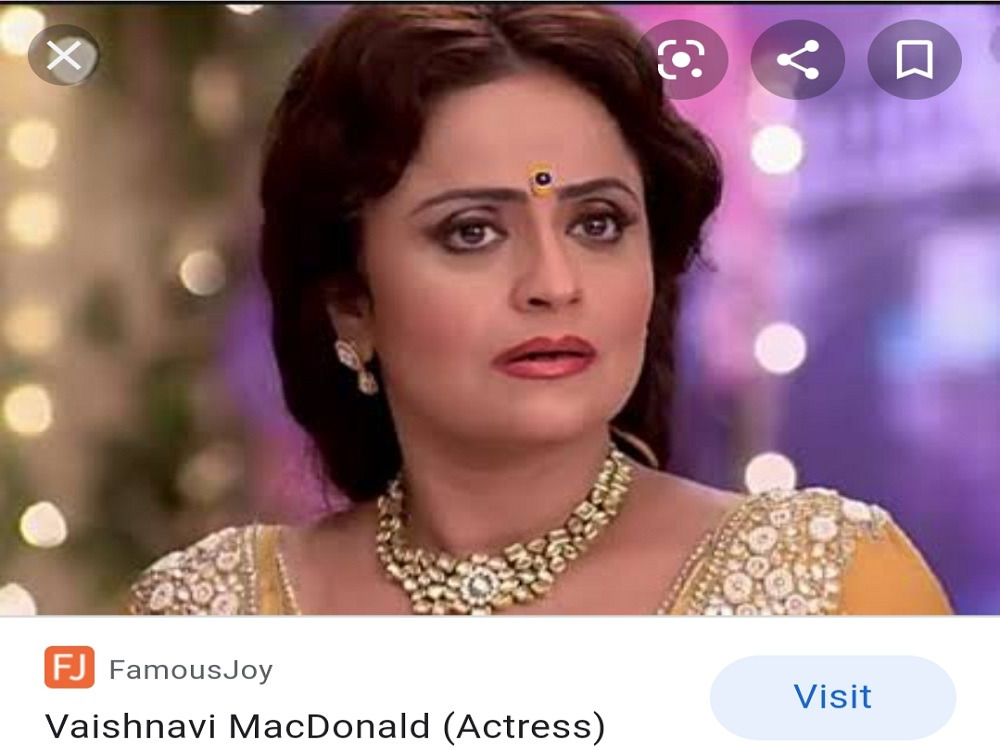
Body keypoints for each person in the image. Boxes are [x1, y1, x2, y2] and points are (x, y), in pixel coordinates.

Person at [127, 3, 951, 616]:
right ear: (351, 304)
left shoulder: (832, 589)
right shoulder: (207, 618)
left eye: (598, 224)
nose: (554, 283)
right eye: (472, 231)